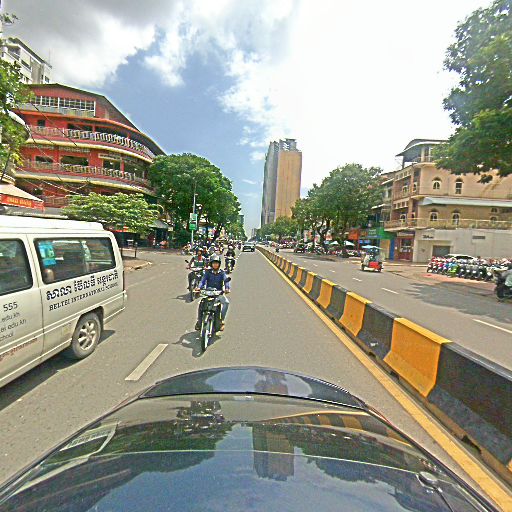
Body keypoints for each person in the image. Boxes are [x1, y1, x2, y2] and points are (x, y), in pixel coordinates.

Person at [195, 255, 230, 331]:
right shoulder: (208, 272)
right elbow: (203, 281)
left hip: (218, 293)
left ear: (219, 264)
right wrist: (199, 287)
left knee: (226, 303)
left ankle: (221, 320)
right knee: (201, 304)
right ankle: (199, 321)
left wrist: (227, 288)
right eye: (214, 263)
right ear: (211, 264)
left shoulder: (222, 273)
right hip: (208, 292)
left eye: (217, 263)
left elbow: (226, 281)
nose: (215, 265)